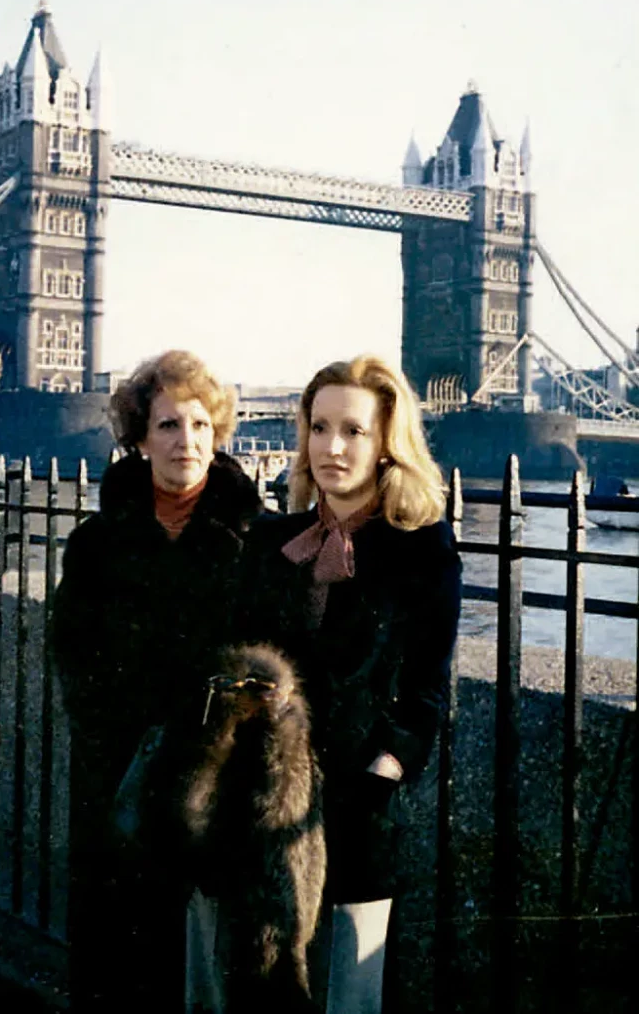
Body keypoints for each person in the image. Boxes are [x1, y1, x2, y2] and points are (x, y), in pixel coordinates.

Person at [239, 356, 462, 1014]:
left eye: (354, 431)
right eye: (319, 426)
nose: (333, 447)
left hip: (360, 810)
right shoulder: (272, 541)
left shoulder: (422, 551)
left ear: (387, 443)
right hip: (265, 803)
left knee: (352, 998)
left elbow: (426, 695)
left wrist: (384, 771)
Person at [49, 349, 262, 1012]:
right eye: (168, 425)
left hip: (213, 781)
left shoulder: (257, 541)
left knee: (199, 971)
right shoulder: (94, 543)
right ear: (140, 438)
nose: (186, 441)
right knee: (115, 966)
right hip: (118, 772)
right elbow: (73, 656)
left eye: (201, 425)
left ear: (218, 434)